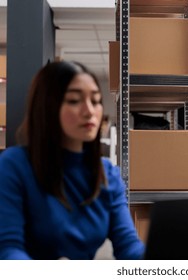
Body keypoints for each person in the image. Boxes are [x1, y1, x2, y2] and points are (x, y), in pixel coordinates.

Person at [0, 61, 145, 260]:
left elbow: (128, 246)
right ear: (48, 107)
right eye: (74, 100)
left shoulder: (107, 174)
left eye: (95, 101)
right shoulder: (14, 165)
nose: (89, 111)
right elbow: (7, 250)